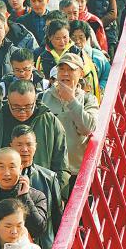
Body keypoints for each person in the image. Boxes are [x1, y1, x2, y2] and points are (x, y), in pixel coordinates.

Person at [0, 79, 70, 193]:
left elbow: (61, 165)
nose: (22, 112)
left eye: (28, 107)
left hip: (40, 190)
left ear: (35, 101)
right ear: (8, 101)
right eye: (16, 107)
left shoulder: (49, 122)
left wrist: (60, 194)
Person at [41, 52, 99, 180]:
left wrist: (71, 100)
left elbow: (88, 128)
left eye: (71, 70)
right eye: (61, 69)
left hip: (76, 171)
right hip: (49, 171)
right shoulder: (43, 97)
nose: (65, 73)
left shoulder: (88, 99)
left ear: (81, 74)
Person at [0, 148, 48, 246]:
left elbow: (38, 230)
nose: (6, 173)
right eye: (1, 167)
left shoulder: (36, 196)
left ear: (20, 168)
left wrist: (25, 197)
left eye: (12, 167)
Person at [9, 125, 62, 249]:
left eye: (29, 144)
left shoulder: (49, 178)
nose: (24, 149)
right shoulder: (1, 178)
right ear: (11, 146)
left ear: (36, 146)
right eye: (19, 145)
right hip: (11, 247)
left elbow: (57, 216)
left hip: (43, 247)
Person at [70, 20, 110, 91]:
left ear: (87, 37)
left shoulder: (98, 55)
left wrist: (101, 87)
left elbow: (107, 75)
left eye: (81, 37)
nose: (77, 41)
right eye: (73, 38)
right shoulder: (66, 56)